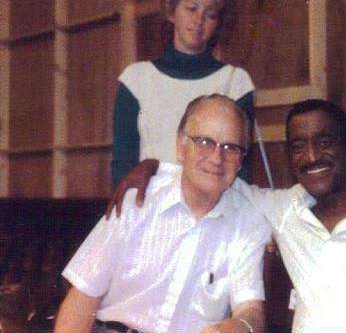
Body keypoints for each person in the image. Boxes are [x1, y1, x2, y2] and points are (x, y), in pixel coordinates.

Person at [110, 99, 346, 333]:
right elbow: (216, 174)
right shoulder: (285, 209)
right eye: (298, 146)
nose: (311, 156)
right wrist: (155, 167)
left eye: (324, 142)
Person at [55, 95, 270, 333]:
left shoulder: (248, 221)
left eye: (230, 147)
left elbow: (250, 311)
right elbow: (82, 299)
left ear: (241, 161)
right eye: (204, 142)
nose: (217, 158)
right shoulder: (138, 199)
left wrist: (237, 327)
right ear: (180, 147)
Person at [111, 0, 255, 189]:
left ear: (219, 24)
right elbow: (123, 166)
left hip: (214, 206)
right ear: (171, 12)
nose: (199, 20)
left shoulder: (236, 82)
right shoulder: (136, 79)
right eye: (191, 8)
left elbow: (241, 169)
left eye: (210, 15)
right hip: (150, 206)